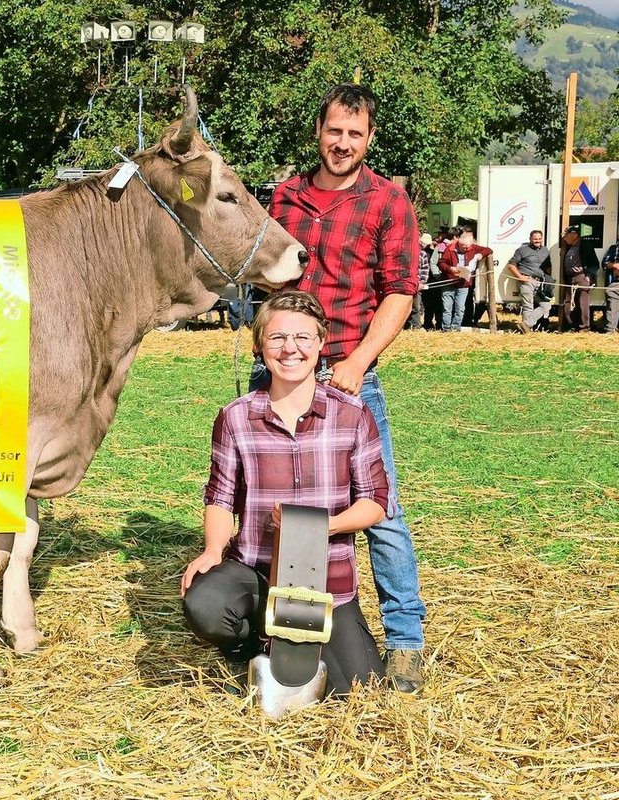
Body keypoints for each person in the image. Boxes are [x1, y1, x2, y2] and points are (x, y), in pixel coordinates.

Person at [266, 83, 427, 692]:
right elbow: (268, 285)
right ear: (319, 130)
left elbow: (401, 293)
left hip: (351, 373)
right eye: (335, 131)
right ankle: (287, 633)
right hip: (284, 368)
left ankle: (406, 638)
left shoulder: (388, 200)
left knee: (380, 509)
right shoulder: (285, 198)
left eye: (355, 134)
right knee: (282, 503)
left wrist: (357, 364)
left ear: (370, 139)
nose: (343, 143)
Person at [182, 291, 389, 698]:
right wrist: (210, 551)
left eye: (302, 338)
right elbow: (221, 497)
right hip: (258, 574)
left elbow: (375, 502)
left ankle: (315, 643)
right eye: (277, 339)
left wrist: (321, 527)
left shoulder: (353, 415)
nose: (290, 349)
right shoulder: (236, 417)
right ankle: (250, 644)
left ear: (320, 345)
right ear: (260, 345)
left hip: (328, 582)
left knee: (360, 692)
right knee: (206, 603)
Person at [438, 228, 492, 332]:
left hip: (463, 284)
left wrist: (481, 254)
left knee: (460, 308)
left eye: (468, 247)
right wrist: (450, 269)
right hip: (449, 282)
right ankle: (446, 329)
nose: (467, 249)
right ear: (459, 243)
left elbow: (489, 250)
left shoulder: (472, 247)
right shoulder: (450, 249)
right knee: (447, 308)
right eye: (464, 247)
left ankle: (456, 328)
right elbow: (441, 263)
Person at [506, 230, 552, 332]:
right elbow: (511, 265)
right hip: (527, 281)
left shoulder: (545, 250)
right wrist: (519, 276)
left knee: (546, 305)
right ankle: (527, 330)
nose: (537, 241)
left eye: (539, 239)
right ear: (530, 239)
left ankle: (526, 325)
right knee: (528, 307)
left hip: (541, 283)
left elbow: (548, 266)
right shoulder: (522, 250)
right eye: (535, 239)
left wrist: (548, 279)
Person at [560, 226, 599, 332]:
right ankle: (572, 325)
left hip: (582, 277)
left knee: (583, 303)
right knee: (568, 303)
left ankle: (584, 328)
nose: (564, 238)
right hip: (570, 278)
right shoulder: (569, 247)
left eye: (567, 235)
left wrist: (589, 276)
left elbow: (595, 264)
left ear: (575, 235)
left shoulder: (585, 245)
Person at [408, 233, 433, 329]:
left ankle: (416, 325)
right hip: (406, 283)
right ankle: (405, 325)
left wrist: (422, 282)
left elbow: (425, 269)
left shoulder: (422, 254)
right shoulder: (406, 252)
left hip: (418, 284)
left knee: (416, 306)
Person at [603, 239, 619, 334]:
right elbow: (604, 263)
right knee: (612, 303)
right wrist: (615, 265)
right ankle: (611, 330)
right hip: (615, 282)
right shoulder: (613, 248)